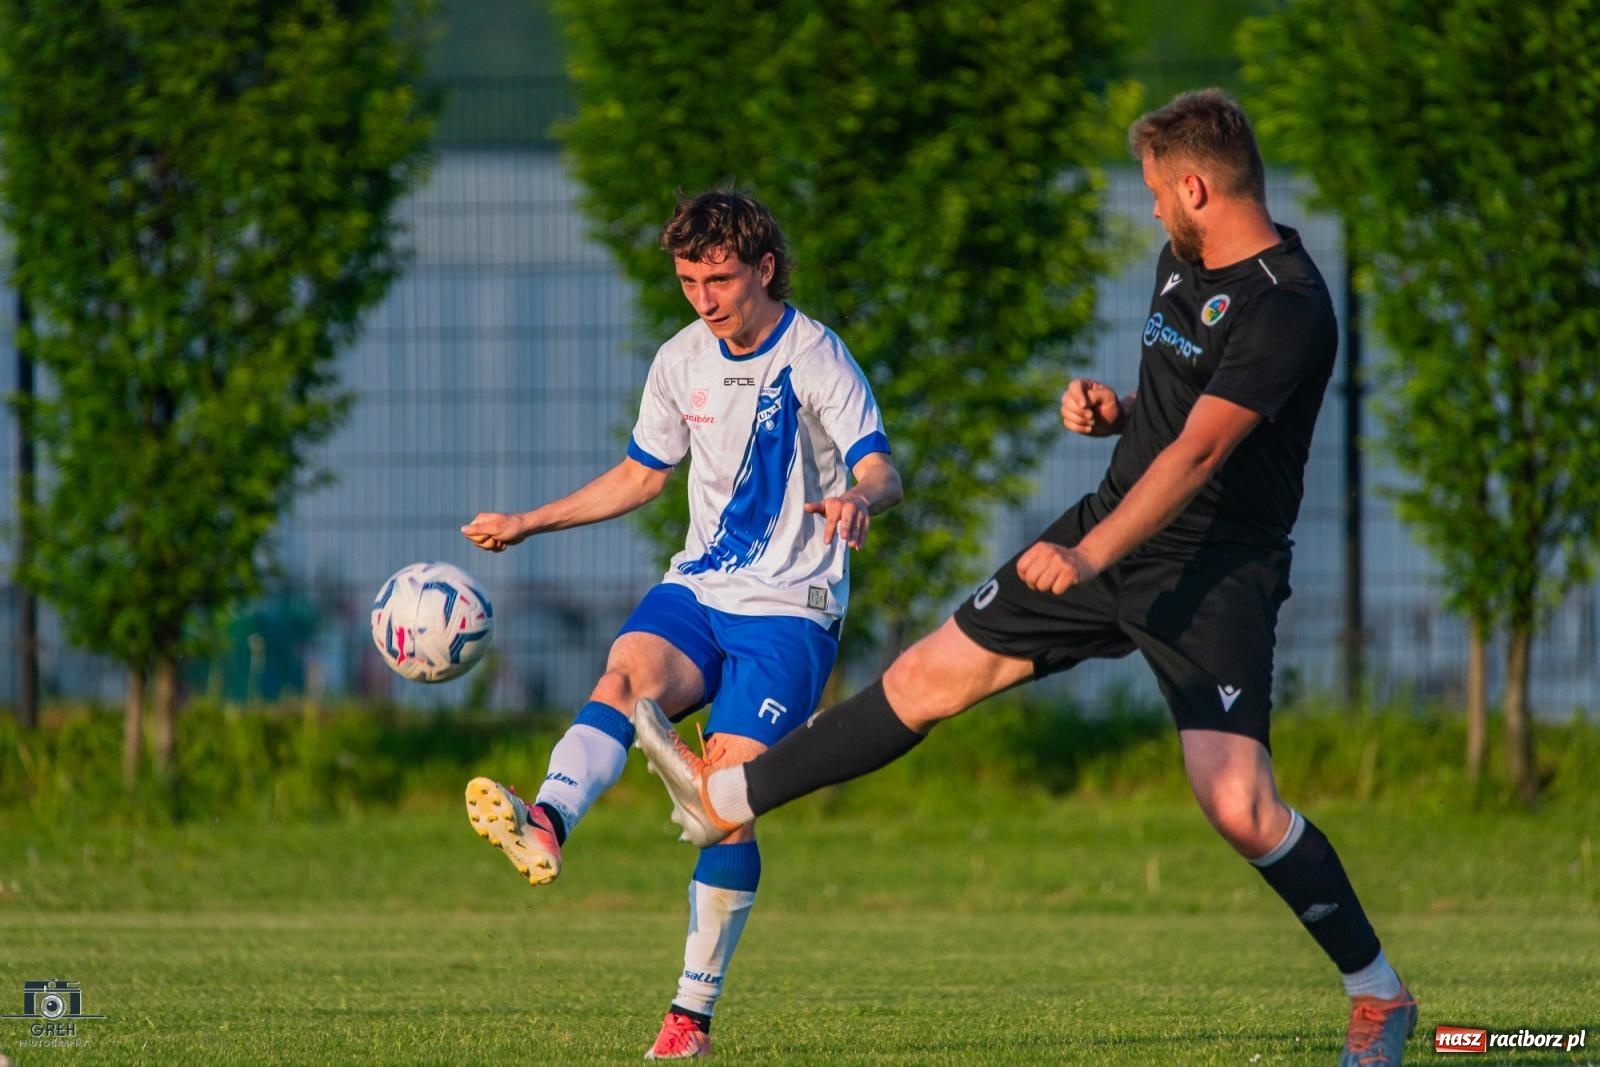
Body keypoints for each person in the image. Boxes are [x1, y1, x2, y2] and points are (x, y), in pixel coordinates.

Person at [635, 91, 1417, 1067]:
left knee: (1238, 803)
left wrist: (1089, 554)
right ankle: (730, 796)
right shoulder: (1184, 261)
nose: (1148, 213)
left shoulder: (1287, 306)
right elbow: (1179, 415)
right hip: (1109, 529)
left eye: (1151, 193)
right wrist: (1120, 410)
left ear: (1193, 185)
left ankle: (1377, 993)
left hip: (1213, 568)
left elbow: (1205, 451)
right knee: (927, 677)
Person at [460, 188, 902, 1060]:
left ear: (765, 268)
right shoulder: (680, 359)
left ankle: (688, 1019)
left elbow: (882, 467)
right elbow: (639, 475)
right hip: (699, 588)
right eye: (689, 279)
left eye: (722, 279)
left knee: (723, 811)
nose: (705, 298)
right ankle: (546, 818)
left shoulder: (817, 357)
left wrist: (857, 498)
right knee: (622, 677)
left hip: (789, 613)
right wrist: (527, 521)